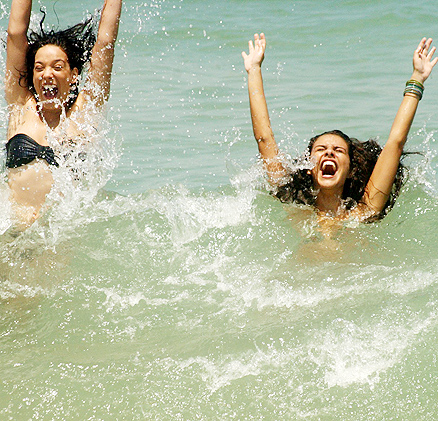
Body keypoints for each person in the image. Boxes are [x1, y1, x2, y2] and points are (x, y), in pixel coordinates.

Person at [242, 34, 437, 223]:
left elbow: (395, 143)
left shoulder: (365, 210)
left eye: (338, 150)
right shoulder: (292, 204)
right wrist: (254, 70)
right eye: (321, 149)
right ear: (309, 167)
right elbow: (264, 138)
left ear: (351, 168)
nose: (329, 153)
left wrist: (417, 78)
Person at [4, 0, 122, 226]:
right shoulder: (21, 105)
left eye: (57, 67)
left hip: (62, 238)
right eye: (39, 68)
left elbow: (105, 42)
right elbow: (15, 34)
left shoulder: (85, 111)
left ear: (74, 75)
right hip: (14, 233)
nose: (47, 73)